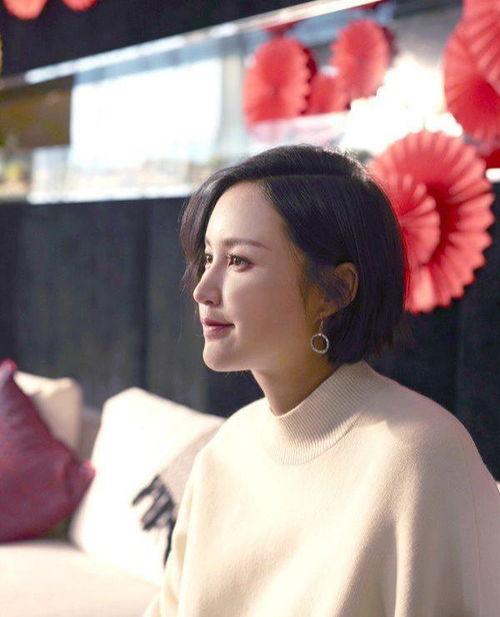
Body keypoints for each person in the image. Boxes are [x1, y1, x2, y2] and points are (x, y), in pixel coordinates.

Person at [142, 144, 500, 617]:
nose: (203, 290)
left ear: (336, 290)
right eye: (208, 257)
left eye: (239, 261)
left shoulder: (421, 457)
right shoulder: (224, 452)